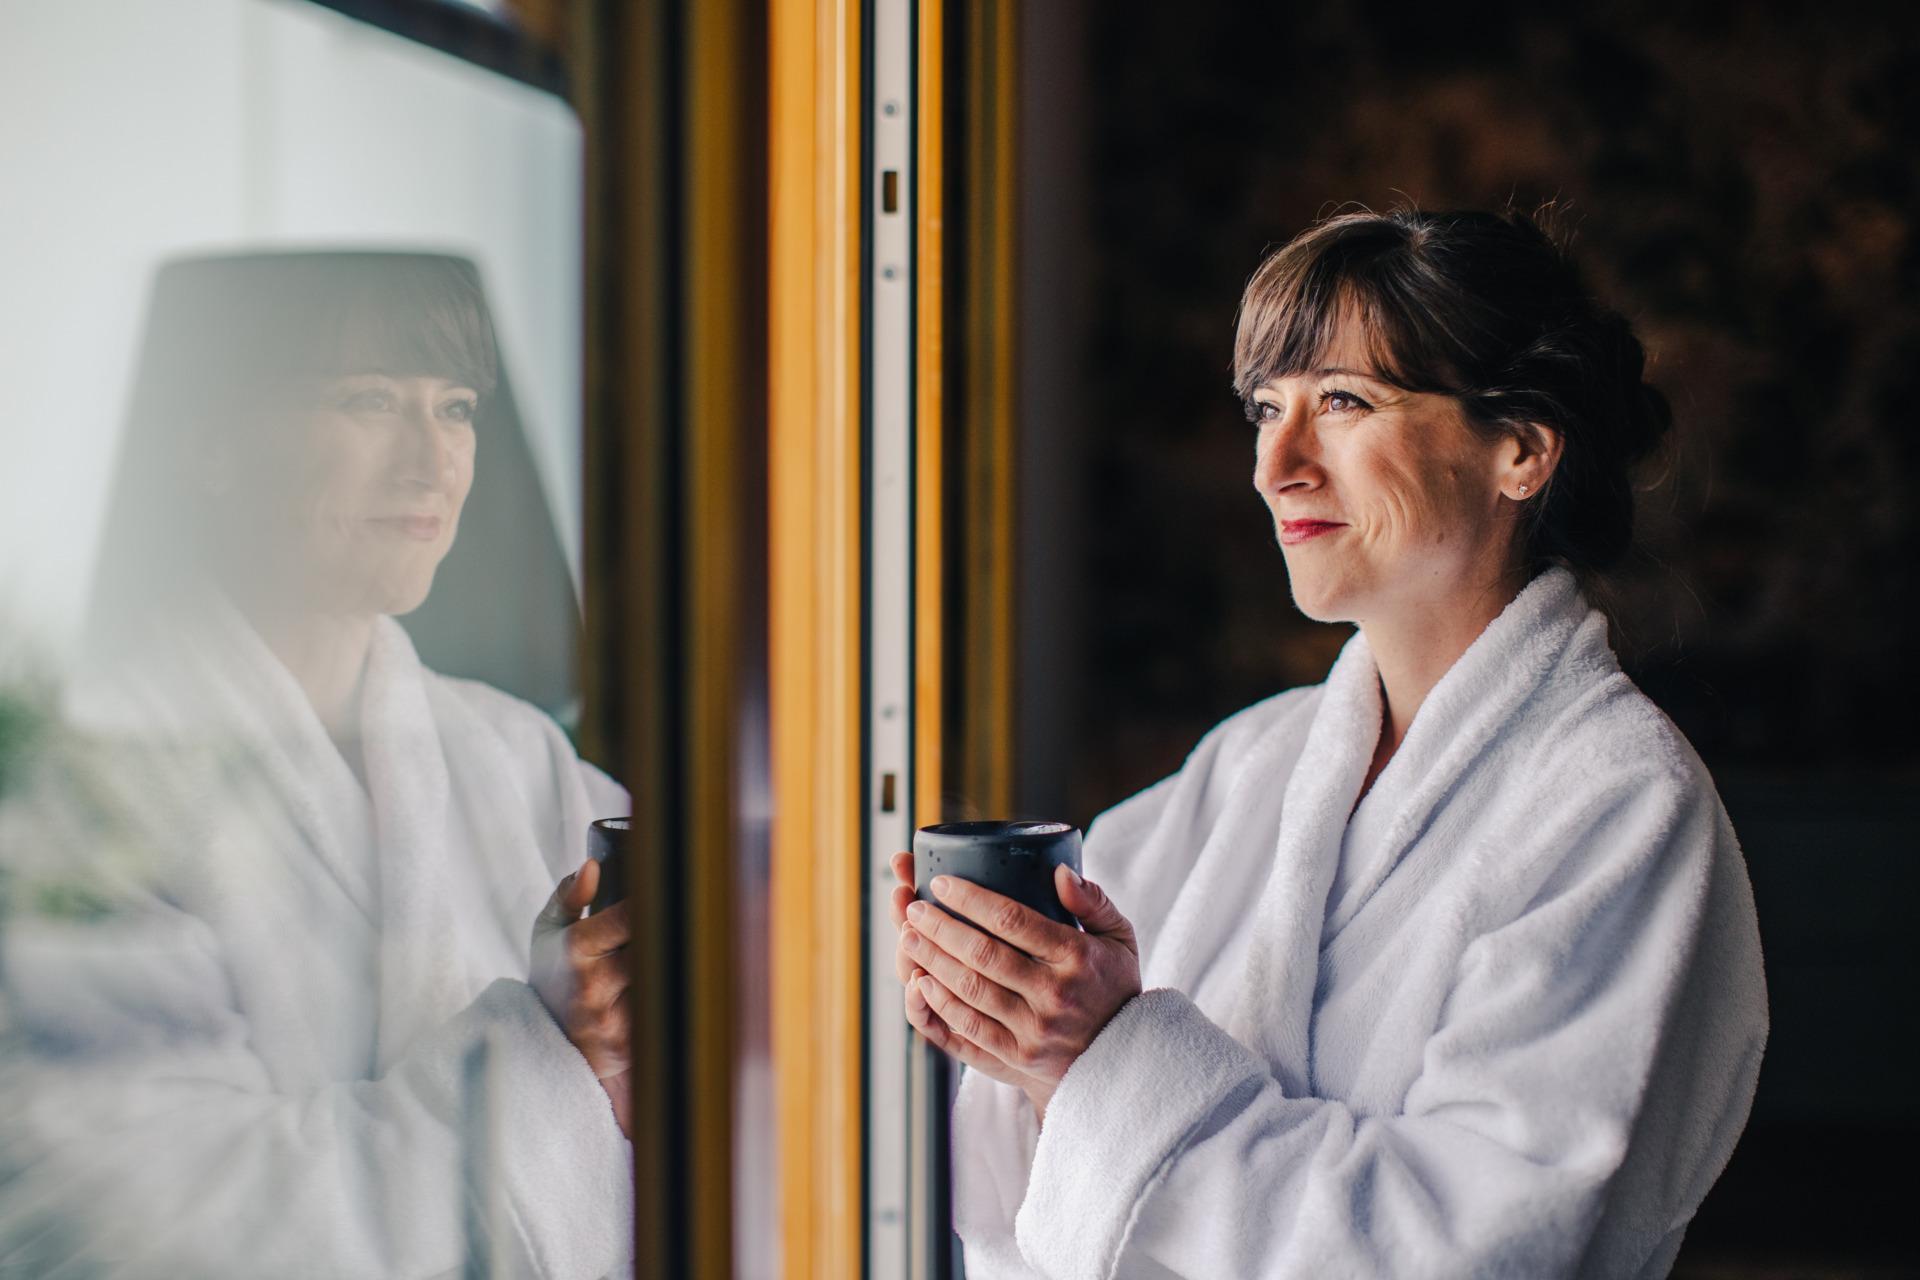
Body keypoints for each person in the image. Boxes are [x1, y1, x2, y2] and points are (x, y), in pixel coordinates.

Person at [887, 207, 1768, 1279]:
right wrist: (1004, 1015)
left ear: (1521, 450)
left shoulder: (1618, 801)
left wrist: (1104, 1052)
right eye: (1268, 407)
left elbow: (1473, 1247)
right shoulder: (1255, 761)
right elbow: (1018, 1144)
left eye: (1344, 400)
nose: (1276, 465)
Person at [0, 253, 633, 1278]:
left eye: (457, 407)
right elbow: (167, 1227)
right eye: (368, 399)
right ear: (212, 443)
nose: (431, 462)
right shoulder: (94, 795)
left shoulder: (516, 759)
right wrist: (552, 1052)